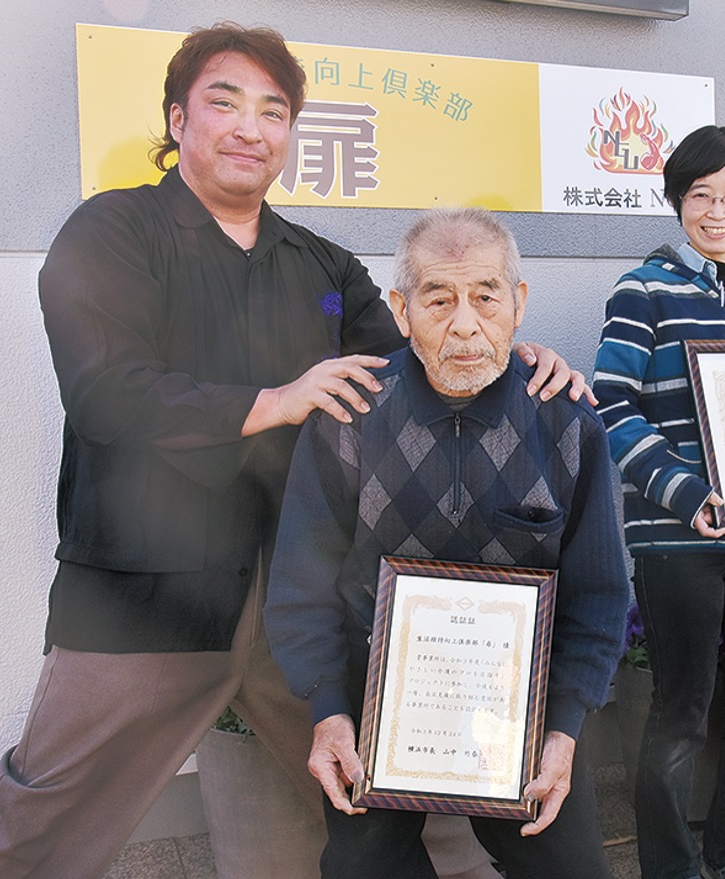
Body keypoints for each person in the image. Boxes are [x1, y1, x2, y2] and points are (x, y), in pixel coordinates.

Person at [0, 24, 581, 879]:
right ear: (178, 119)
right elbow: (105, 390)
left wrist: (509, 357)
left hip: (302, 593)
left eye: (273, 111)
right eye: (225, 103)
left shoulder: (322, 265)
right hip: (145, 592)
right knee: (39, 816)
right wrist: (273, 401)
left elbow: (419, 367)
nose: (250, 128)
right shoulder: (111, 231)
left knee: (400, 797)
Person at [264, 207, 628, 879]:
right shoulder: (350, 417)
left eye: (486, 297)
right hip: (377, 705)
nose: (465, 324)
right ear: (401, 310)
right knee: (362, 866)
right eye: (438, 299)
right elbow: (301, 584)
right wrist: (328, 710)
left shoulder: (567, 424)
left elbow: (599, 596)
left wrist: (565, 728)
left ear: (518, 304)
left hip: (524, 706)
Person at [592, 125, 725, 879]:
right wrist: (684, 493)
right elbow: (611, 404)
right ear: (678, 201)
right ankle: (673, 868)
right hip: (677, 537)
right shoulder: (643, 289)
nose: (718, 211)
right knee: (681, 712)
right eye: (701, 195)